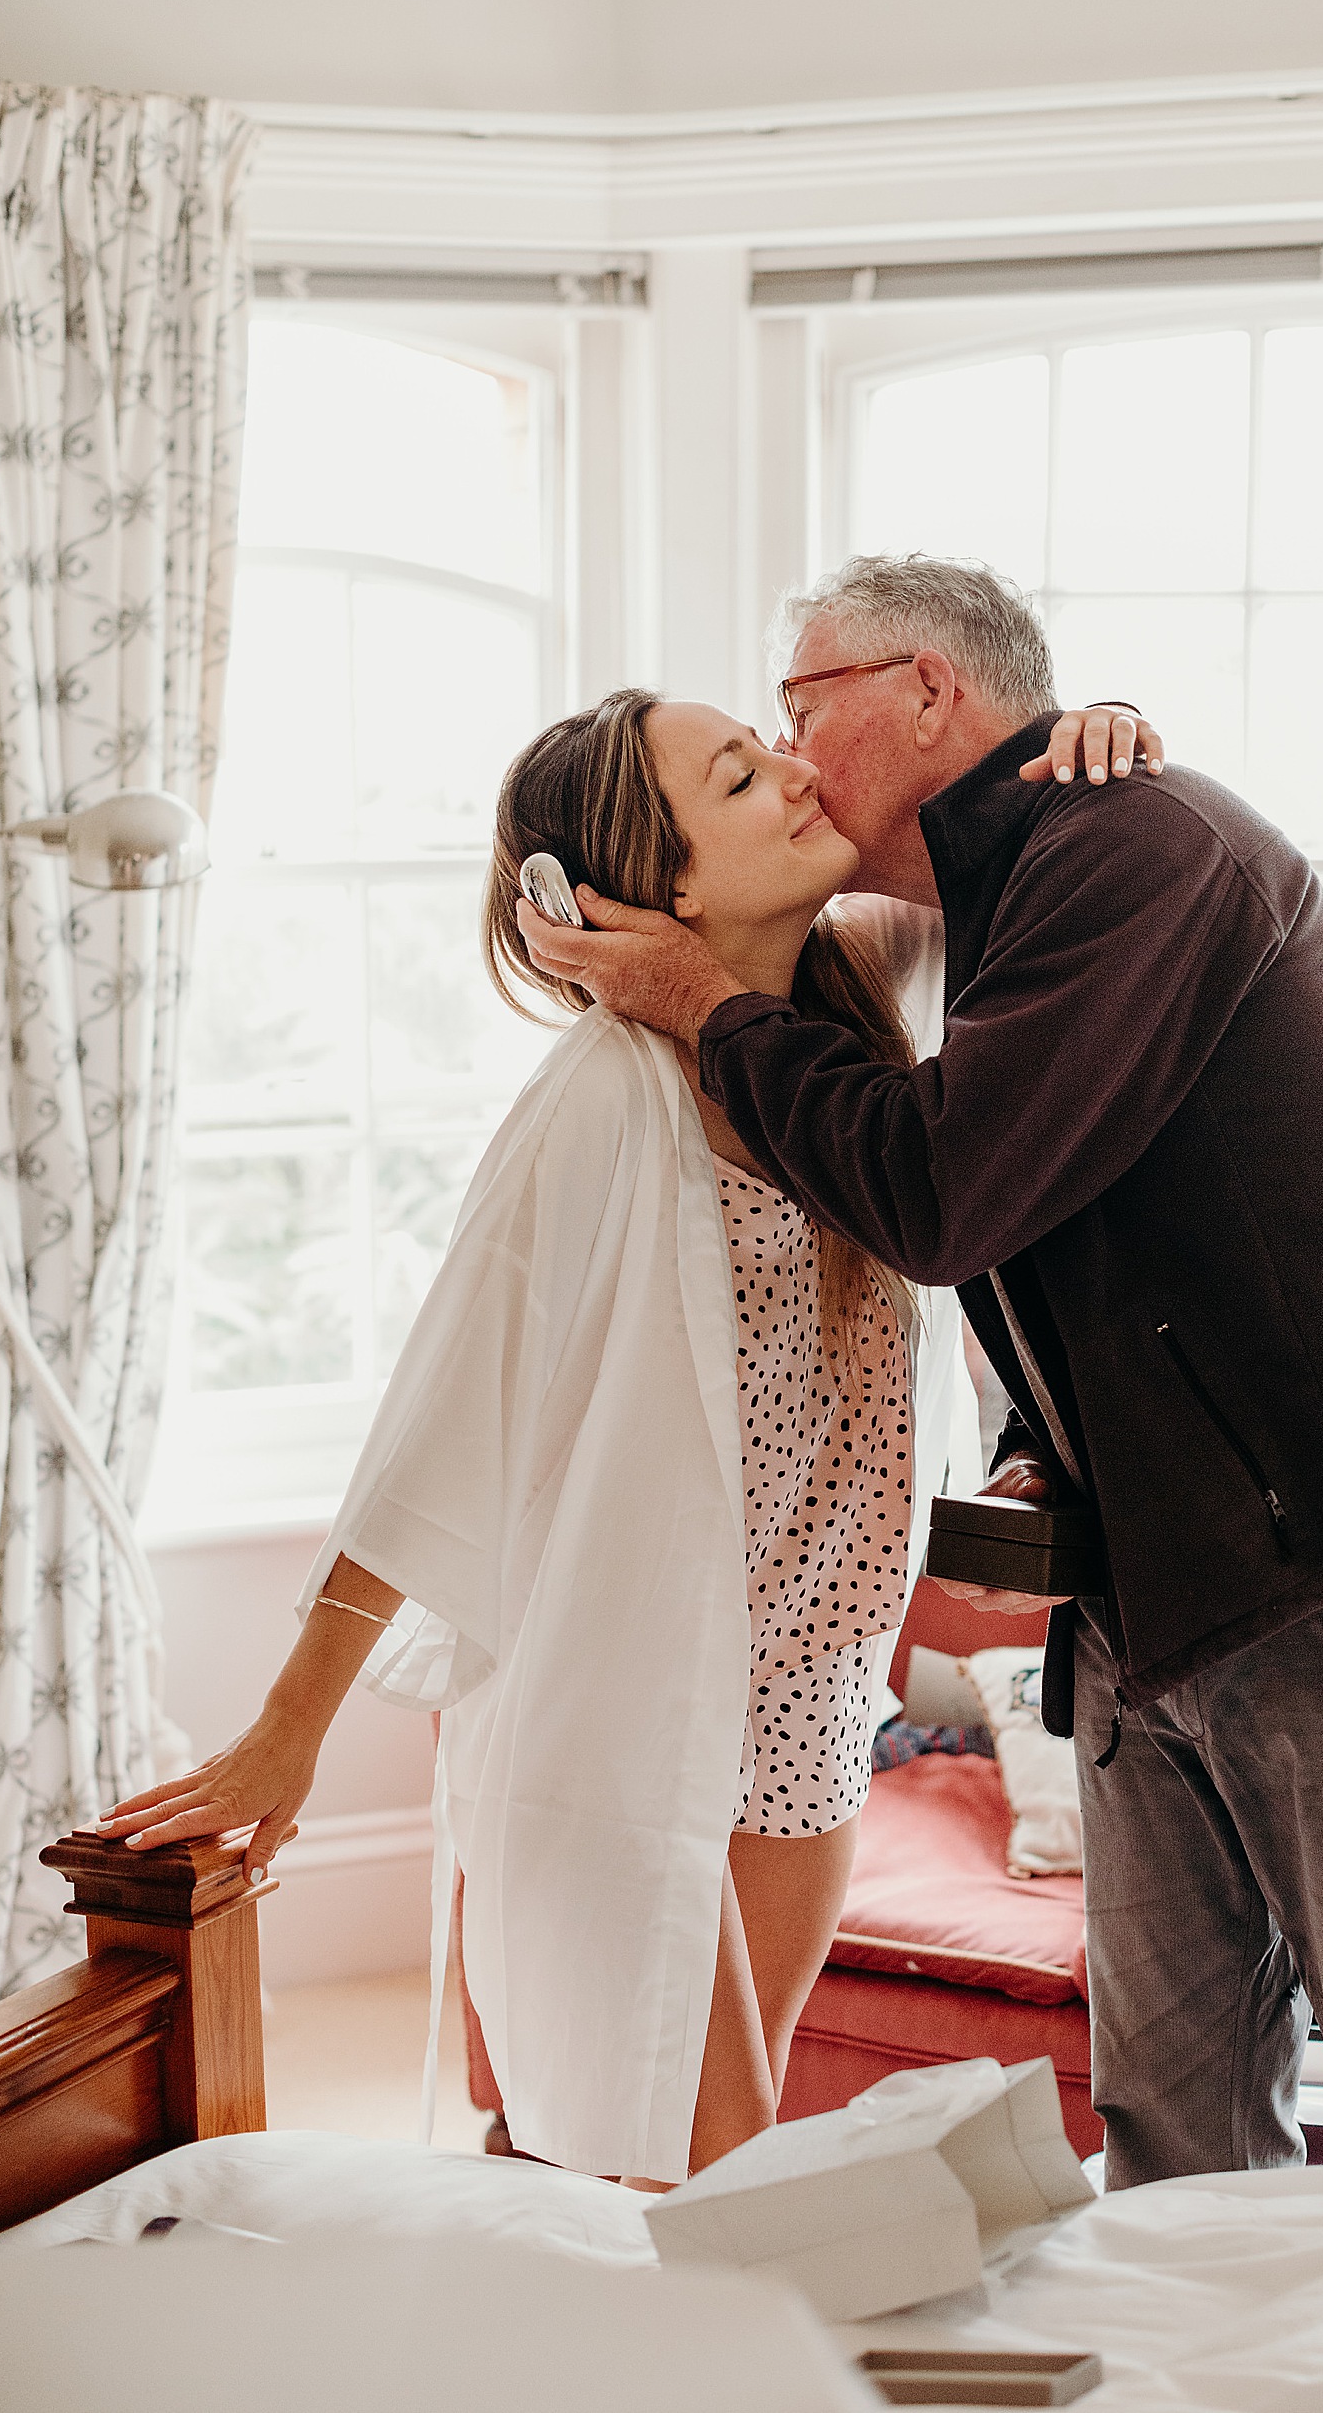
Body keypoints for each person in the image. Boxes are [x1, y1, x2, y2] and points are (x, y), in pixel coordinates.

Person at [518, 553, 1323, 2190]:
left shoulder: (1138, 848)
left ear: (931, 691)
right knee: (1173, 2132)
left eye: (802, 709)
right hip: (1149, 1610)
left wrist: (698, 995)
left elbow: (945, 1192)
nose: (788, 759)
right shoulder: (979, 913)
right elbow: (1091, 1232)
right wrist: (1042, 1452)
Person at [96, 681, 1152, 2188]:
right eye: (740, 776)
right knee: (706, 2166)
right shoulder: (603, 1095)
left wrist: (1091, 738)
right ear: (656, 891)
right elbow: (436, 1423)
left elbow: (1015, 882)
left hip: (816, 1682)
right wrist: (289, 1727)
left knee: (712, 2163)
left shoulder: (852, 1025)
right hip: (632, 1695)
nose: (795, 773)